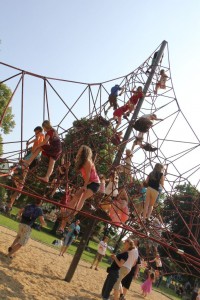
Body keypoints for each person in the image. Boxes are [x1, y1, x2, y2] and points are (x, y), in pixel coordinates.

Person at [65, 145, 100, 218]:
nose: (79, 150)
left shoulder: (87, 161)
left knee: (82, 198)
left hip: (94, 183)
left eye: (80, 149)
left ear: (84, 152)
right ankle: (67, 212)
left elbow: (88, 175)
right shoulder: (82, 161)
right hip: (88, 182)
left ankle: (71, 216)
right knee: (76, 196)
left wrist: (84, 186)